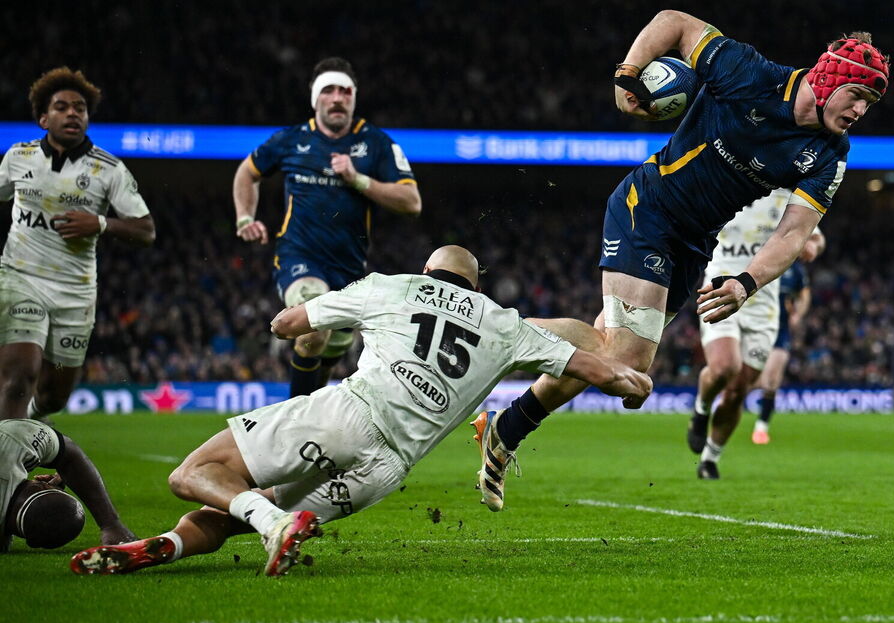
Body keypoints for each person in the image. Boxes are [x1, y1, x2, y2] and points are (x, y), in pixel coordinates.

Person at [472, 10, 889, 509]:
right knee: (625, 362)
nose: (861, 111)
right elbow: (673, 21)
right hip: (650, 209)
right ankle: (480, 328)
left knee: (607, 353)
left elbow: (794, 231)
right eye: (859, 96)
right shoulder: (750, 73)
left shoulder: (830, 153)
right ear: (829, 80)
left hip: (695, 244)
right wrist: (628, 73)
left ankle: (504, 429)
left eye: (871, 103)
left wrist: (745, 282)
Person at [70, 246, 652, 577]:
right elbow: (599, 368)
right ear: (477, 286)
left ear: (427, 273)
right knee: (239, 512)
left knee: (193, 476)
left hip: (349, 413)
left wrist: (307, 312)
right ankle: (164, 549)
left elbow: (287, 325)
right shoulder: (504, 325)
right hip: (386, 471)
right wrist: (633, 382)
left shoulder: (390, 288)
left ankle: (272, 523)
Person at [232, 57, 422, 399]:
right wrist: (245, 217)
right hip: (298, 256)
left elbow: (412, 202)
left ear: (353, 98)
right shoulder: (290, 140)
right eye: (329, 91)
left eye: (345, 91)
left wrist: (358, 179)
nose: (337, 98)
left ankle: (308, 412)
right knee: (313, 327)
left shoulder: (376, 143)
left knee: (331, 350)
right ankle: (294, 421)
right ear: (316, 98)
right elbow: (247, 172)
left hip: (349, 268)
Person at [0, 68, 155, 421]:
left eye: (80, 108)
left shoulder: (109, 170)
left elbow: (146, 231)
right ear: (43, 118)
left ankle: (25, 428)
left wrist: (99, 223)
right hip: (20, 278)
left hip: (75, 292)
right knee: (18, 376)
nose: (73, 113)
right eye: (61, 107)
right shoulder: (18, 157)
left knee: (53, 396)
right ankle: (8, 471)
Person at [685, 191, 824, 478]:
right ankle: (701, 410)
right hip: (721, 290)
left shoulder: (787, 197)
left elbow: (816, 237)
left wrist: (812, 246)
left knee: (739, 390)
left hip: (763, 306)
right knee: (725, 366)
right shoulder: (723, 185)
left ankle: (710, 458)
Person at [2, 417, 136, 553]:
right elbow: (69, 455)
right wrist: (111, 524)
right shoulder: (13, 442)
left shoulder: (12, 442)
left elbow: (68, 455)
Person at [750, 229, 823, 446]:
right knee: (749, 379)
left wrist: (798, 314)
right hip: (757, 327)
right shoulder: (759, 262)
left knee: (772, 380)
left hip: (780, 329)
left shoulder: (796, 270)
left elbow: (804, 294)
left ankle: (761, 428)